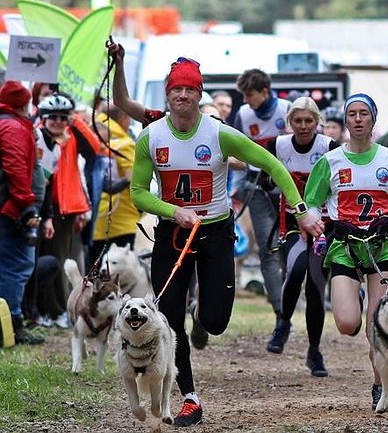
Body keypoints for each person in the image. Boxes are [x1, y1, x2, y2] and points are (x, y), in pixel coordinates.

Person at [130, 57, 323, 426]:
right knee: (168, 321)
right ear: (167, 95)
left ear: (198, 95)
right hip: (173, 235)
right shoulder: (151, 136)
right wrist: (174, 212)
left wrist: (299, 210)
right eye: (176, 89)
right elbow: (139, 192)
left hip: (215, 234)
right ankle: (189, 396)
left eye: (190, 89)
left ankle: (200, 314)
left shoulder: (218, 132)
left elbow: (274, 165)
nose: (183, 95)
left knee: (216, 321)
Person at [303, 93, 388, 411]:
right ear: (345, 120)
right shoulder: (330, 162)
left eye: (364, 114)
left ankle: (380, 384)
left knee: (377, 325)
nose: (358, 119)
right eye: (352, 114)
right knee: (346, 324)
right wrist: (316, 227)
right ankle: (357, 300)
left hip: (382, 245)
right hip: (344, 245)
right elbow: (311, 203)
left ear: (373, 120)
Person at [265, 97, 338, 370]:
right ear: (289, 122)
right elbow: (259, 169)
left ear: (318, 122)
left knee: (316, 286)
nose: (304, 126)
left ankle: (314, 351)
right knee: (296, 270)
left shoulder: (329, 147)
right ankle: (283, 322)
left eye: (309, 121)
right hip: (292, 223)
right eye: (298, 121)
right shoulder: (279, 145)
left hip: (323, 226)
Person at [233, 68, 295, 353]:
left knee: (290, 250)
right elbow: (236, 151)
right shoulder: (244, 116)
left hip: (288, 188)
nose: (247, 101)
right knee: (268, 251)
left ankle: (294, 300)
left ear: (265, 91)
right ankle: (281, 316)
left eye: (250, 95)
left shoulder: (288, 110)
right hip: (257, 189)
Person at [35, 92, 103, 325]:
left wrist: (75, 120)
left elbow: (95, 150)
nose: (58, 121)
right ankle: (39, 311)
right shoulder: (37, 136)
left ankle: (59, 311)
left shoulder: (71, 134)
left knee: (59, 259)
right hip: (38, 205)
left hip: (64, 208)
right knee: (37, 260)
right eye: (52, 116)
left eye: (63, 117)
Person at [0, 80, 46, 345]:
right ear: (21, 104)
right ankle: (11, 327)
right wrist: (27, 204)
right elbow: (16, 168)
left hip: (8, 206)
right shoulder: (12, 126)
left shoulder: (9, 123)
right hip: (11, 209)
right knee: (17, 266)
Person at [91, 104, 140, 264]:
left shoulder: (93, 136)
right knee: (117, 276)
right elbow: (135, 180)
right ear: (123, 118)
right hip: (121, 220)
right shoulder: (125, 144)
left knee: (96, 272)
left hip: (97, 218)